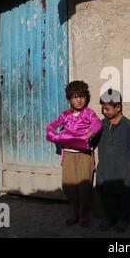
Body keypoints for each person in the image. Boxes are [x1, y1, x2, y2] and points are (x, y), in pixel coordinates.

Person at [46, 80, 102, 227]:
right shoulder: (65, 115)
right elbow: (51, 127)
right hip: (69, 155)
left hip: (84, 155)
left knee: (84, 185)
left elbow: (97, 123)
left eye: (82, 96)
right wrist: (56, 137)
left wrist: (91, 132)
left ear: (86, 98)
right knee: (68, 184)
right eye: (75, 97)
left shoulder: (89, 113)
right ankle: (74, 210)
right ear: (69, 99)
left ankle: (83, 212)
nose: (79, 100)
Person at [95, 89, 130, 233]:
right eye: (103, 108)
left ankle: (123, 219)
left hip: (122, 168)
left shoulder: (128, 126)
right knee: (107, 195)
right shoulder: (101, 124)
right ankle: (109, 218)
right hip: (105, 167)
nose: (104, 111)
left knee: (124, 195)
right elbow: (94, 140)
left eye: (107, 108)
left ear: (118, 107)